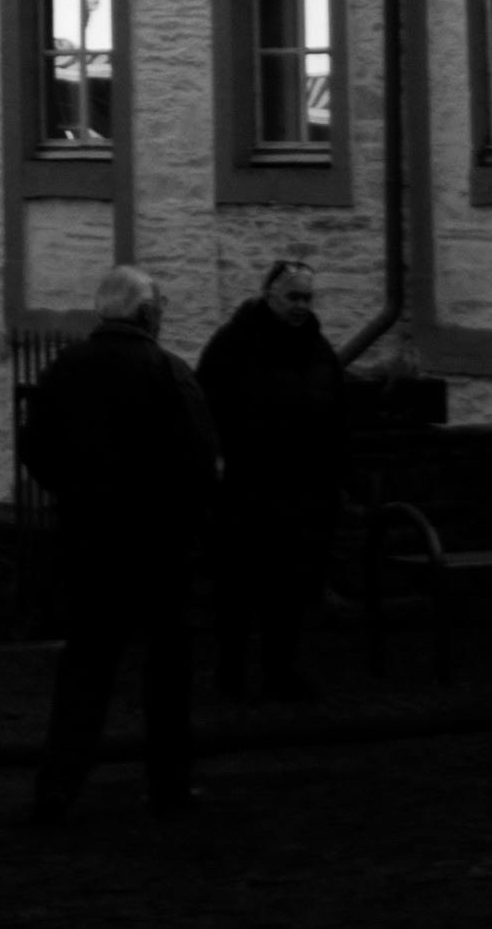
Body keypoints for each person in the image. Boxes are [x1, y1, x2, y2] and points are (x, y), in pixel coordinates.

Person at [18, 262, 221, 819]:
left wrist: (76, 493)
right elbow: (201, 462)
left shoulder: (65, 368)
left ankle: (58, 786)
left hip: (91, 540)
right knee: (167, 672)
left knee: (85, 667)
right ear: (148, 314)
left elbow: (36, 447)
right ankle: (169, 785)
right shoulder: (167, 371)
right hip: (158, 545)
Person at [198, 252, 352, 705]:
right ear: (269, 295)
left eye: (307, 297)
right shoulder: (233, 345)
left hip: (301, 492)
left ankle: (279, 670)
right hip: (246, 490)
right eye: (292, 297)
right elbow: (206, 410)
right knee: (238, 590)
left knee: (289, 588)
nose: (301, 305)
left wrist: (335, 473)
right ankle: (230, 672)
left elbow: (337, 415)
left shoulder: (317, 348)